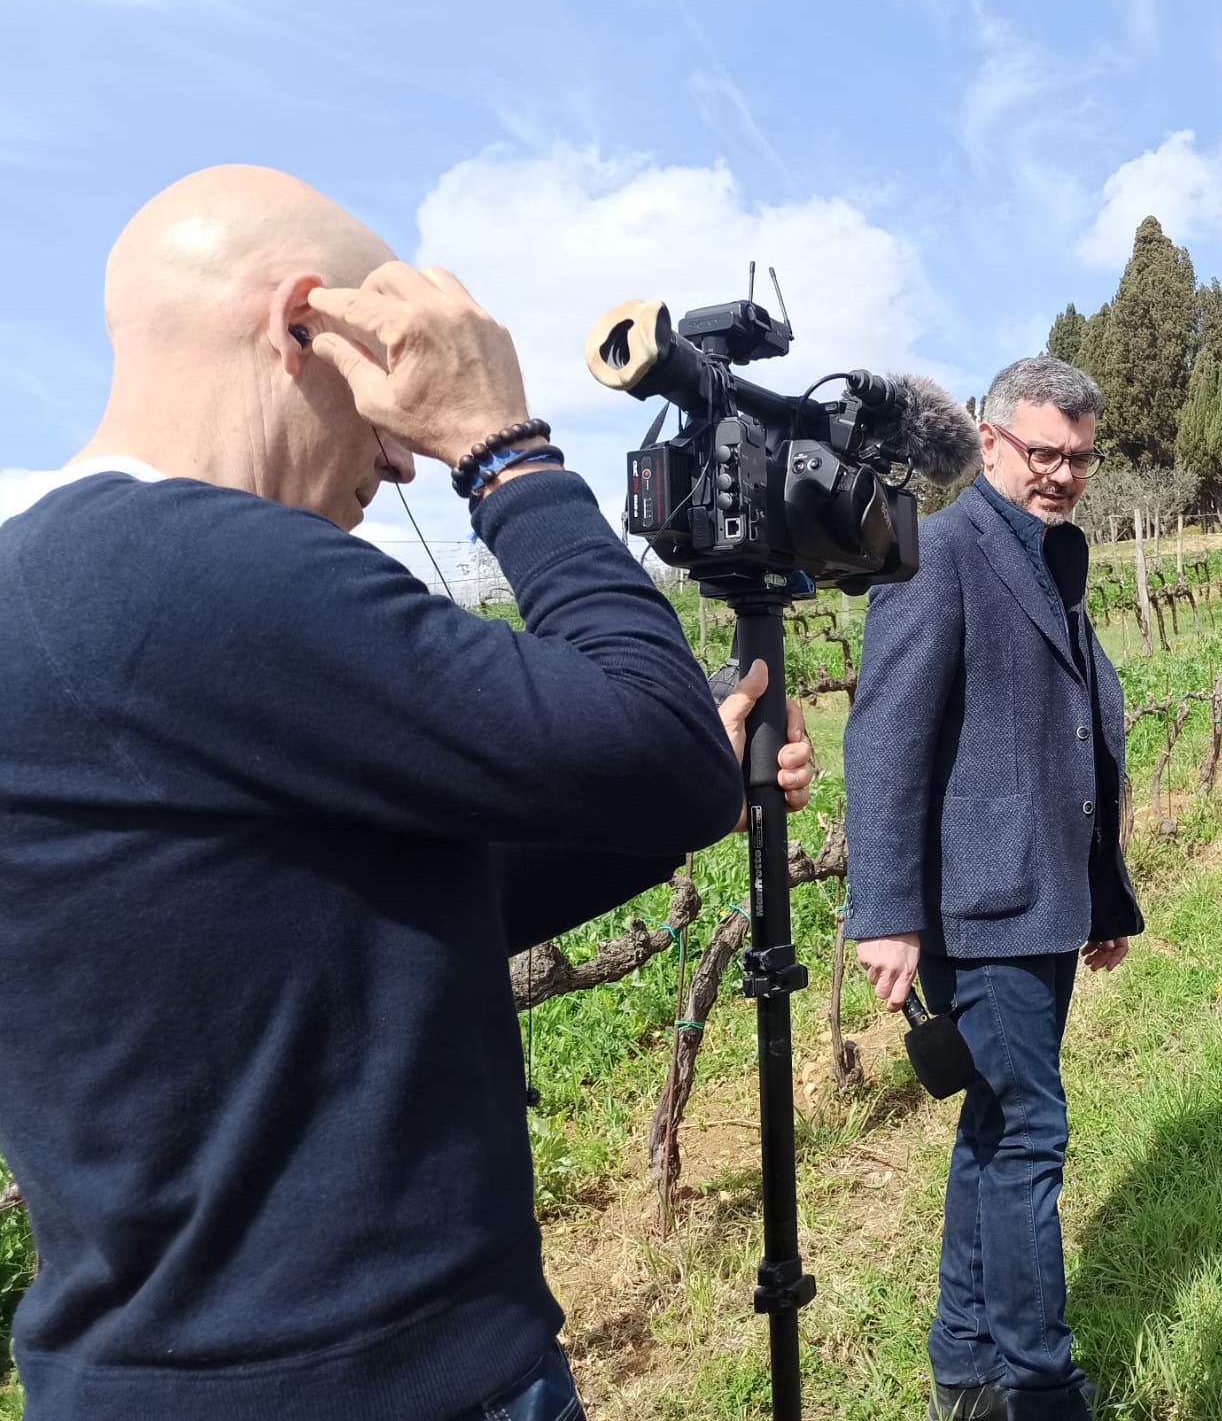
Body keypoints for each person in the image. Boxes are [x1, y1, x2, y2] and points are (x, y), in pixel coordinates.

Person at [0, 166, 818, 1421]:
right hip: (383, 1379)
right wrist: (503, 450)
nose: (390, 460)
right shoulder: (203, 565)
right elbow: (642, 735)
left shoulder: (57, 587)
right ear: (303, 326)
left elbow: (363, 917)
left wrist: (693, 784)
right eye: (385, 384)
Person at [844, 356, 1142, 1421]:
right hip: (979, 902)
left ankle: (965, 1367)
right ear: (989, 440)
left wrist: (1100, 896)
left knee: (992, 1125)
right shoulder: (942, 550)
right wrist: (883, 912)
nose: (1060, 474)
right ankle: (1035, 1386)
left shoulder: (1054, 551)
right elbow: (886, 733)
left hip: (1040, 895)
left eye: (1078, 458)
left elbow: (1068, 731)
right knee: (1027, 1136)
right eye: (1041, 452)